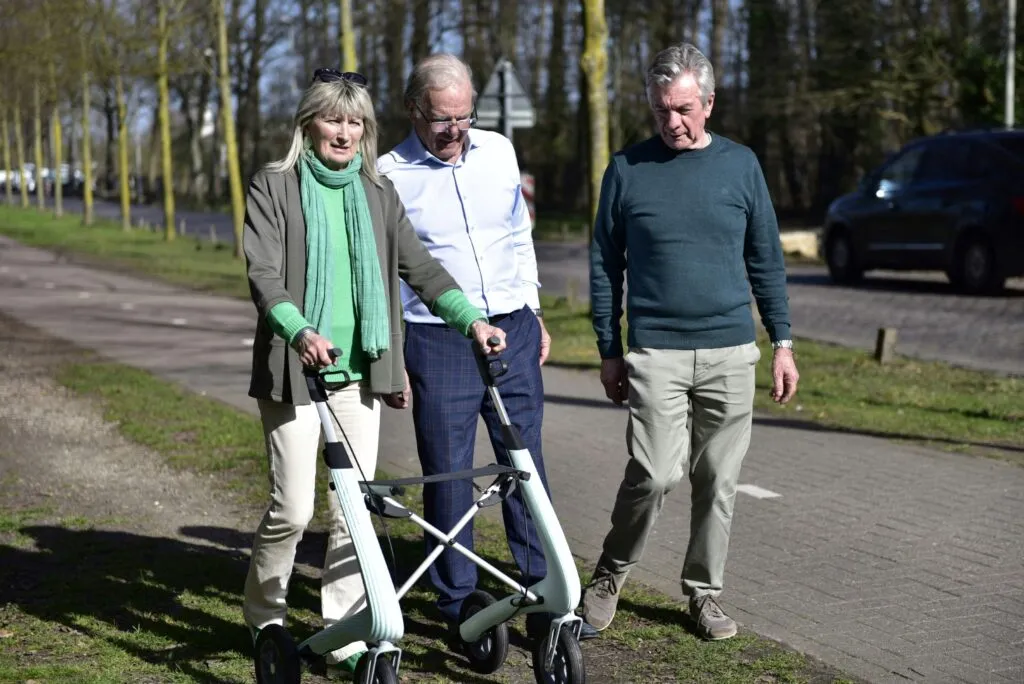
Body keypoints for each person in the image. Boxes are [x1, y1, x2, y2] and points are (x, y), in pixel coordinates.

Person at [240, 67, 508, 674]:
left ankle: (346, 629)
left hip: (358, 373)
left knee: (353, 512)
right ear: (308, 124)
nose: (344, 132)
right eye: (333, 119)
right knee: (293, 509)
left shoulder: (378, 193)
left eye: (355, 121)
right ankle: (266, 616)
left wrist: (472, 321)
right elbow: (263, 275)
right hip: (295, 370)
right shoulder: (274, 186)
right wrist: (300, 330)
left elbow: (424, 270)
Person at [583, 42, 800, 641]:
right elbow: (605, 266)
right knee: (653, 474)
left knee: (718, 482)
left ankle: (704, 593)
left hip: (730, 349)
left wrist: (782, 343)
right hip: (656, 352)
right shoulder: (627, 169)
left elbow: (766, 260)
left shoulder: (741, 166)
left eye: (682, 109)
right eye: (661, 111)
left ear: (708, 102)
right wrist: (609, 349)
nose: (672, 122)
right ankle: (609, 575)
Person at [378, 53, 595, 641]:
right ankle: (458, 601)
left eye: (464, 117)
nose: (455, 131)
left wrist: (534, 310)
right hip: (437, 337)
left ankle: (546, 595)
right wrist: (392, 356)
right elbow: (385, 275)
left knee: (525, 463)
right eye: (442, 119)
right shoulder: (388, 174)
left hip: (512, 328)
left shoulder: (499, 151)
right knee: (448, 472)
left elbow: (519, 233)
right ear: (413, 110)